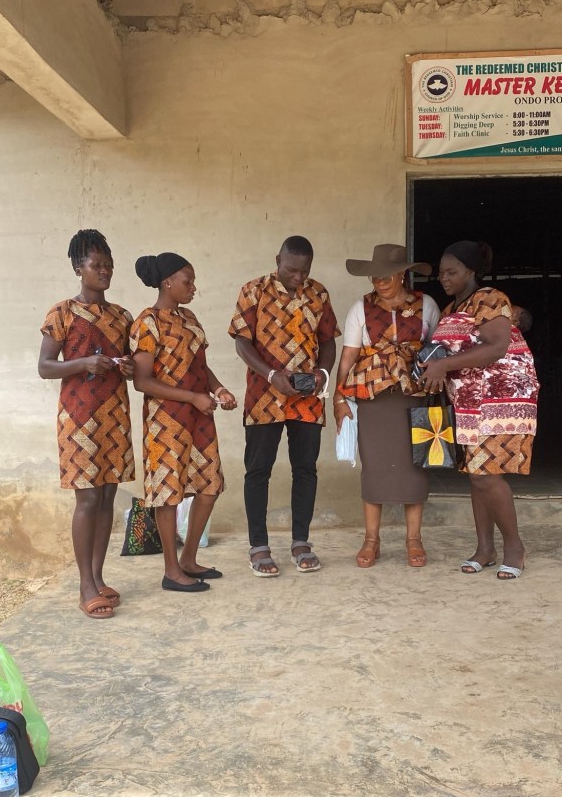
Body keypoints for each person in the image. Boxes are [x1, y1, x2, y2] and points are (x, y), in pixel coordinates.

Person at [420, 241, 539, 580]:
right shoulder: (452, 307)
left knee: (486, 474)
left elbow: (497, 346)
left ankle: (514, 547)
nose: (444, 278)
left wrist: (444, 366)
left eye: (452, 272)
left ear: (471, 271)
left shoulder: (490, 298)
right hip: (470, 400)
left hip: (501, 396)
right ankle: (485, 548)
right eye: (441, 272)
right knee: (475, 473)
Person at [38, 229, 135, 619]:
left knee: (108, 497)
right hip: (78, 419)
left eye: (109, 265)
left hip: (115, 415)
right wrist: (83, 363)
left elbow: (129, 363)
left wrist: (127, 367)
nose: (105, 271)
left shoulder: (122, 316)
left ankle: (97, 577)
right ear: (79, 268)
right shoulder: (61, 313)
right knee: (88, 499)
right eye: (97, 265)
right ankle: (84, 588)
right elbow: (45, 367)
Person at [229, 235, 340, 576]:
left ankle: (301, 542)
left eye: (304, 271)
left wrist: (323, 373)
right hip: (264, 397)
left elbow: (328, 342)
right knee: (258, 470)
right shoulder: (253, 291)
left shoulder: (318, 293)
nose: (298, 277)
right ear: (278, 260)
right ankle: (259, 546)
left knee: (305, 469)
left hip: (307, 399)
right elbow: (242, 343)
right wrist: (271, 374)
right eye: (291, 270)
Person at [131, 253, 237, 593]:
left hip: (198, 416)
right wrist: (192, 397)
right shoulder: (147, 322)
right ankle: (171, 570)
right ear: (167, 283)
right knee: (168, 492)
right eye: (187, 281)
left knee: (209, 485)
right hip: (165, 421)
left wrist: (218, 389)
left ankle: (189, 559)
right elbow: (142, 381)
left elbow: (200, 367)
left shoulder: (189, 318)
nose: (193, 287)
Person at [333, 244, 440, 568]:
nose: (378, 281)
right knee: (374, 467)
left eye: (385, 275)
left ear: (401, 274)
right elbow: (349, 355)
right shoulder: (361, 308)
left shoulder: (426, 305)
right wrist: (339, 397)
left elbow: (438, 351)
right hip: (373, 398)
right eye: (374, 276)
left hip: (415, 396)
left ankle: (414, 540)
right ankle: (371, 540)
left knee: (415, 467)